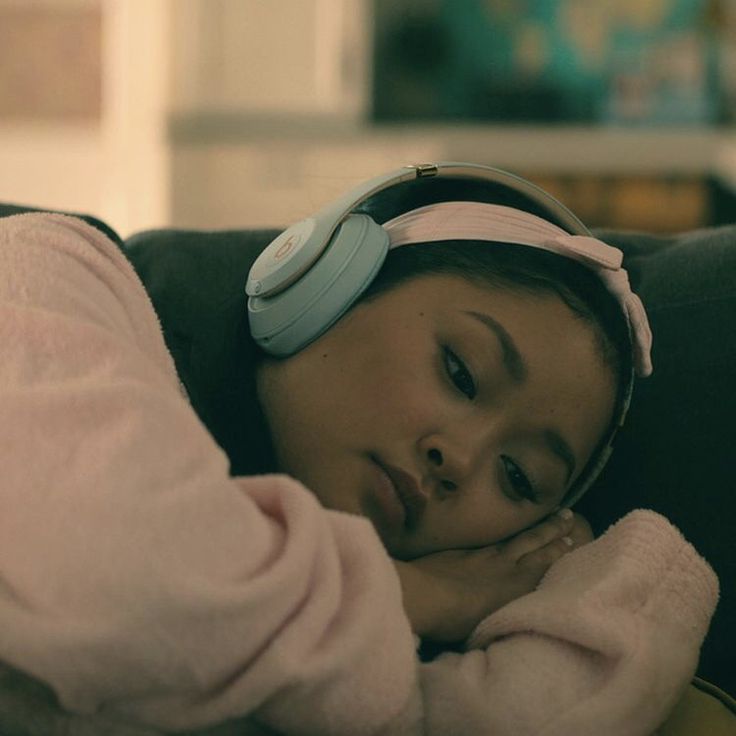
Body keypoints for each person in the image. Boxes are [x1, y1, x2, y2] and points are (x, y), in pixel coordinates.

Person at [0, 163, 718, 735]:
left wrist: (633, 583)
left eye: (518, 475)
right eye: (461, 372)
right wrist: (425, 596)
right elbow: (98, 562)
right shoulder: (58, 271)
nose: (460, 459)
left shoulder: (366, 659)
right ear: (328, 276)